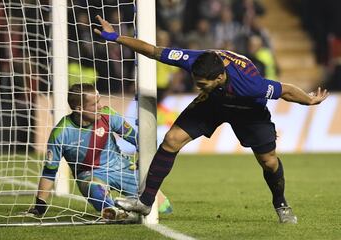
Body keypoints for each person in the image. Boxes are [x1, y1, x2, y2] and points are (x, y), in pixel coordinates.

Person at [93, 16, 329, 224]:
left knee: (268, 162)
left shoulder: (250, 84)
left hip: (248, 111)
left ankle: (281, 204)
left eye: (202, 83)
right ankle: (145, 202)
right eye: (196, 81)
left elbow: (285, 89)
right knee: (172, 139)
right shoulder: (192, 59)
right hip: (213, 103)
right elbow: (152, 50)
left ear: (219, 76)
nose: (197, 85)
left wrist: (308, 101)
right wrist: (116, 37)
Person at [28, 83, 172, 220]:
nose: (100, 106)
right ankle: (116, 212)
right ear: (79, 108)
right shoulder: (61, 133)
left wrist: (145, 158)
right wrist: (40, 205)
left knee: (163, 209)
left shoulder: (107, 115)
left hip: (119, 166)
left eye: (99, 101)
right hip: (89, 175)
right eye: (94, 104)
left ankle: (127, 208)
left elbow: (137, 139)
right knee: (97, 192)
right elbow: (49, 171)